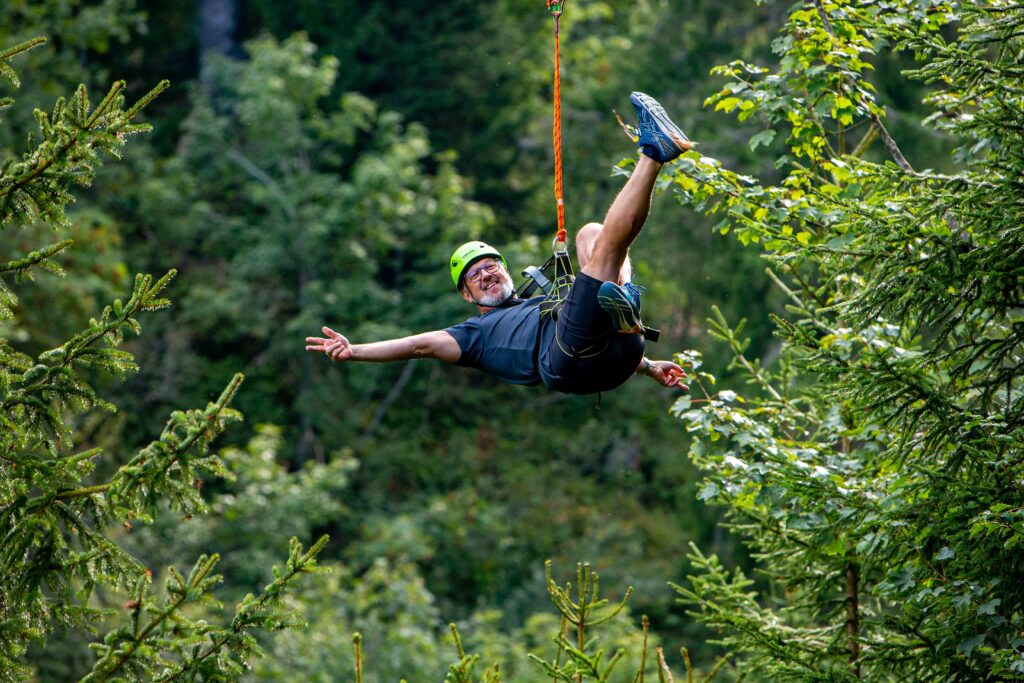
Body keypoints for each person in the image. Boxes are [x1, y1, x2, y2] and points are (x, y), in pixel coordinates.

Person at [306, 92, 690, 395]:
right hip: (568, 358)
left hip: (621, 353)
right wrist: (354, 351)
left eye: (491, 266)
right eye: (475, 276)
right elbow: (417, 345)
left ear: (506, 270)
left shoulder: (537, 304)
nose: (486, 274)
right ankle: (653, 154)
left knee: (591, 233)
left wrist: (649, 367)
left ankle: (621, 303)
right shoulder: (472, 336)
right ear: (467, 296)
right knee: (602, 255)